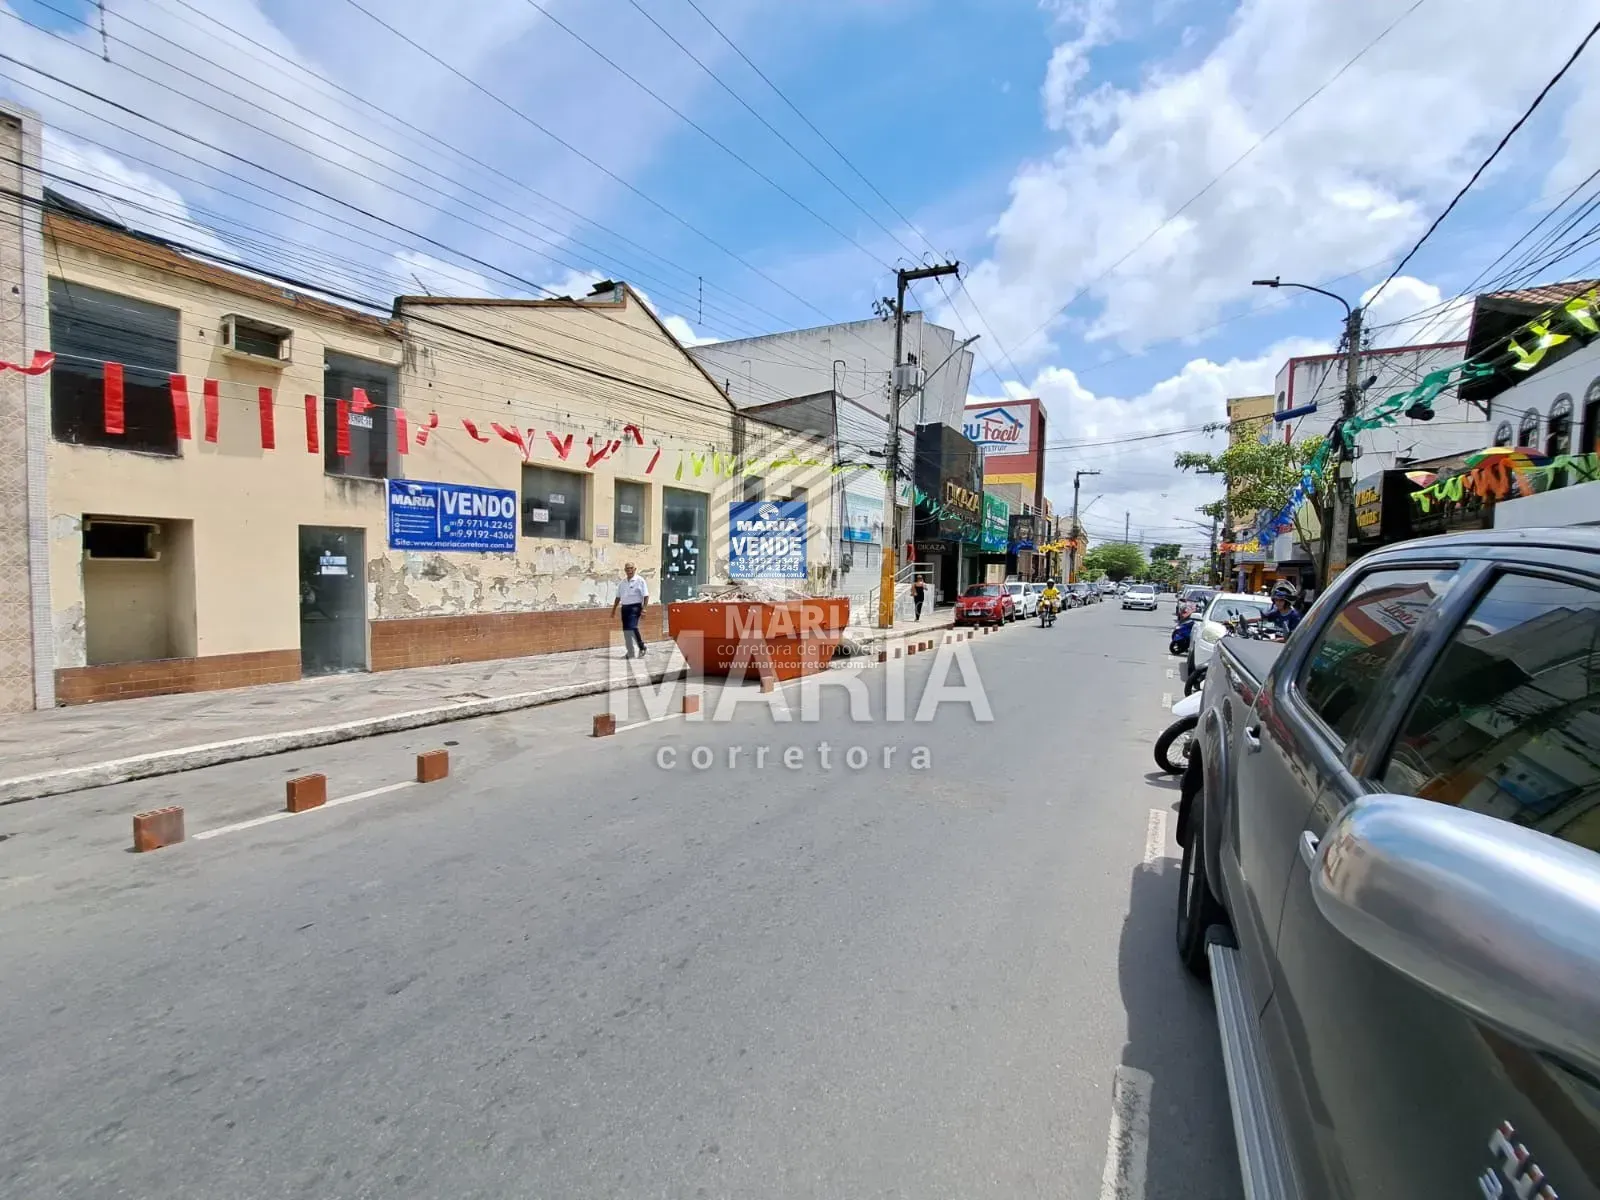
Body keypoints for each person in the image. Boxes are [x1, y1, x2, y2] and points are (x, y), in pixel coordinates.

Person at [610, 561, 650, 658]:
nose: (629, 570)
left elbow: (646, 596)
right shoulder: (622, 583)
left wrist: (644, 609)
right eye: (627, 569)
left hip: (635, 607)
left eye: (631, 568)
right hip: (625, 608)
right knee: (626, 630)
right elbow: (618, 597)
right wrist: (614, 609)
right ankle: (630, 651)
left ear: (635, 569)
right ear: (625, 570)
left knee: (632, 627)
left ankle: (641, 646)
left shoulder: (640, 580)